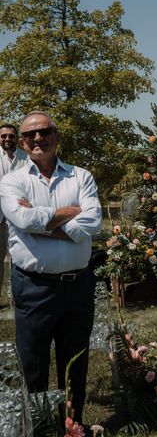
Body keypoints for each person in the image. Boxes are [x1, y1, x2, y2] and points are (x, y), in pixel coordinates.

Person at [0, 111, 102, 424]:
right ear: (22, 141)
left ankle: (72, 425)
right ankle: (42, 428)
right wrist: (70, 215)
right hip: (34, 287)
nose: (37, 139)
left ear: (56, 136)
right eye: (29, 135)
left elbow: (93, 220)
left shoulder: (80, 176)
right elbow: (21, 219)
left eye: (43, 132)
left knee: (75, 363)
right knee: (33, 367)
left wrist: (42, 223)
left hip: (77, 286)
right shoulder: (12, 180)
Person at [0, 123, 28, 305]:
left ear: (17, 138)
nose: (7, 139)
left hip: (21, 215)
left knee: (23, 257)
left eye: (11, 136)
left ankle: (22, 298)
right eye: (3, 136)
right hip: (0, 218)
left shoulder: (26, 158)